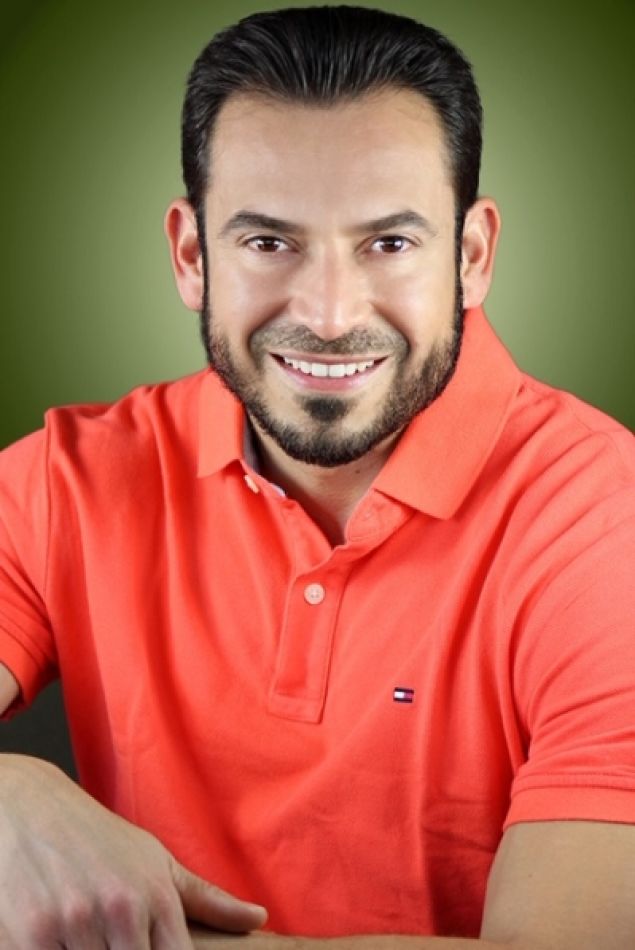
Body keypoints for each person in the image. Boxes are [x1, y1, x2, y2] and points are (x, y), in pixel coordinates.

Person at [0, 4, 634, 948]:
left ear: (471, 256)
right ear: (190, 255)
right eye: (268, 242)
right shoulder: (70, 477)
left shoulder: (603, 524)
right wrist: (8, 792)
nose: (331, 316)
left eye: (388, 243)